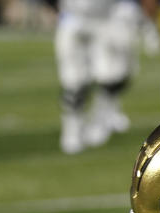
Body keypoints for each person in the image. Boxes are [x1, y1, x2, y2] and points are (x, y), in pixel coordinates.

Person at [51, 0, 134, 153]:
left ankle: (100, 119)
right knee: (74, 81)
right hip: (73, 18)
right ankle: (72, 130)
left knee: (112, 76)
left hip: (108, 18)